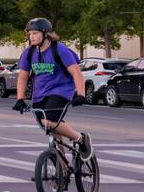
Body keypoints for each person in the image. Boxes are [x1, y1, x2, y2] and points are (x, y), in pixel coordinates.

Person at [13, 17, 91, 159]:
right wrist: (20, 99)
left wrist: (81, 94)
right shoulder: (29, 53)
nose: (31, 37)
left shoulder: (60, 50)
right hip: (39, 94)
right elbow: (23, 77)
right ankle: (61, 169)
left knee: (48, 121)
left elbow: (76, 72)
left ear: (45, 34)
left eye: (35, 33)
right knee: (51, 128)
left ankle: (80, 139)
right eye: (29, 34)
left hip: (61, 92)